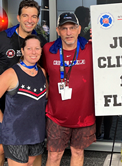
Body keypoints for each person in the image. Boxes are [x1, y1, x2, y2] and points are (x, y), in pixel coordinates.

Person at [42, 12, 96, 166]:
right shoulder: (48, 49)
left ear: (79, 29)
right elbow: (42, 74)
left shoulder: (91, 49)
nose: (68, 32)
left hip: (84, 115)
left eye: (72, 27)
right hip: (56, 116)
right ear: (58, 30)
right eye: (64, 28)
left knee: (78, 152)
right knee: (53, 155)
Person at [0, 0, 47, 165]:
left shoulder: (41, 40)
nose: (29, 20)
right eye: (25, 15)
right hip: (3, 108)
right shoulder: (3, 38)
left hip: (27, 112)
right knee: (0, 151)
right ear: (18, 17)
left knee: (33, 158)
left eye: (34, 16)